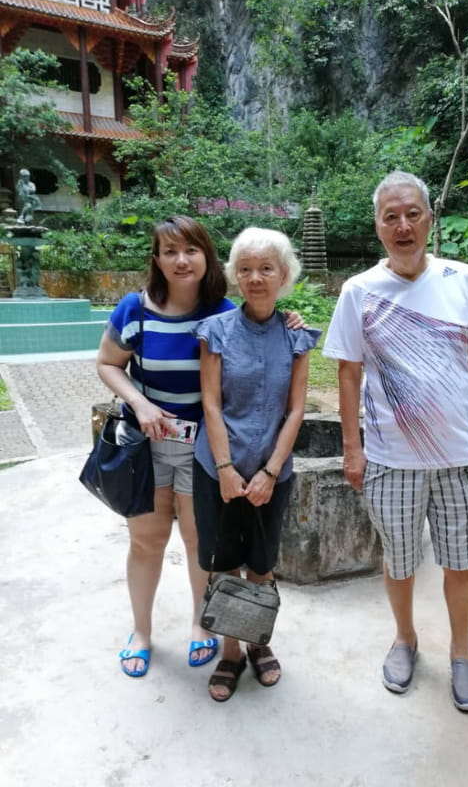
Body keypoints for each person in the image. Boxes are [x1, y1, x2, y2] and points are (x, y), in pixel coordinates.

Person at [322, 171, 468, 712]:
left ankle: (462, 652)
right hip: (389, 460)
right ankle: (404, 639)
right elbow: (350, 374)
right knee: (398, 561)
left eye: (412, 214)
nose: (403, 225)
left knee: (460, 562)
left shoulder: (464, 280)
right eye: (390, 216)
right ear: (377, 225)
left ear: (429, 219)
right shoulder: (359, 291)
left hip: (457, 458)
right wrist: (352, 448)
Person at [96, 216, 305, 677]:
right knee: (146, 542)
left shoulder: (222, 312)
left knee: (200, 544)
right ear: (157, 260)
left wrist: (289, 321)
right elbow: (108, 363)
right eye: (169, 251)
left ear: (207, 258)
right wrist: (139, 403)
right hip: (147, 448)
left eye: (190, 250)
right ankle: (143, 633)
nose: (181, 260)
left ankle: (200, 625)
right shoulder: (135, 309)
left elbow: (261, 329)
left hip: (204, 451)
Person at [193, 226, 321, 702]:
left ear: (284, 274)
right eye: (245, 269)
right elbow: (210, 404)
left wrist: (269, 472)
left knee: (262, 565)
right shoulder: (216, 332)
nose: (255, 277)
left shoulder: (297, 335)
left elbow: (296, 409)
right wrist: (226, 468)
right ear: (234, 276)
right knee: (224, 565)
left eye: (266, 268)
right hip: (218, 469)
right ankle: (230, 652)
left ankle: (258, 642)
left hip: (273, 472)